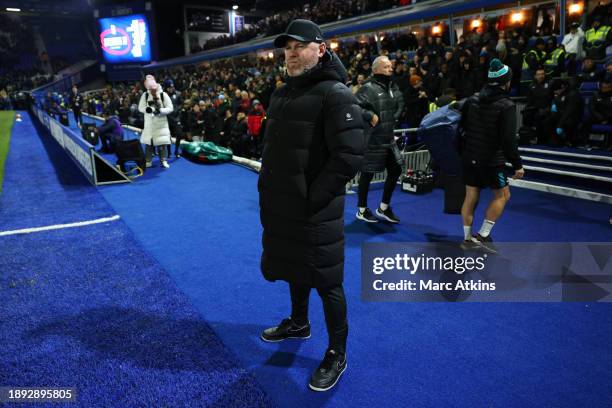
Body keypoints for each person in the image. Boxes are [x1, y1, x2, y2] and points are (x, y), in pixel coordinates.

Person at [258, 19, 364, 392]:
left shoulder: (336, 94)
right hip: (283, 207)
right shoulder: (282, 93)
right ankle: (298, 322)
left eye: (299, 46)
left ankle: (338, 352)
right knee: (293, 266)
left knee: (327, 282)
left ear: (321, 49)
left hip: (315, 211)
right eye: (286, 48)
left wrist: (314, 198)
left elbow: (349, 155)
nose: (290, 54)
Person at [460, 59, 524, 251]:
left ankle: (468, 239)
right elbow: (508, 140)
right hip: (491, 161)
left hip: (469, 156)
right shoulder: (506, 105)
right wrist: (517, 164)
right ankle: (483, 235)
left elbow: (462, 127)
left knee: (471, 196)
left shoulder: (472, 99)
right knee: (503, 195)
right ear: (506, 82)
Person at [355, 55, 405, 223]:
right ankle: (361, 210)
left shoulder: (392, 86)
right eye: (386, 66)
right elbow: (355, 107)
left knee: (396, 169)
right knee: (367, 174)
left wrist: (395, 117)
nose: (390, 68)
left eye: (390, 66)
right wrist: (369, 115)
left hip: (389, 138)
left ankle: (383, 208)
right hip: (373, 139)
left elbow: (399, 103)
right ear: (376, 69)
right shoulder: (367, 88)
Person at [138, 75, 173, 168]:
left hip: (161, 124)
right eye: (150, 89)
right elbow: (140, 108)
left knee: (162, 144)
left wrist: (161, 111)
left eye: (154, 89)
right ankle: (148, 161)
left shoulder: (163, 95)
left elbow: (170, 108)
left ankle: (163, 160)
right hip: (149, 124)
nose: (152, 91)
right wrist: (149, 109)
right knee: (149, 144)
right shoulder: (145, 95)